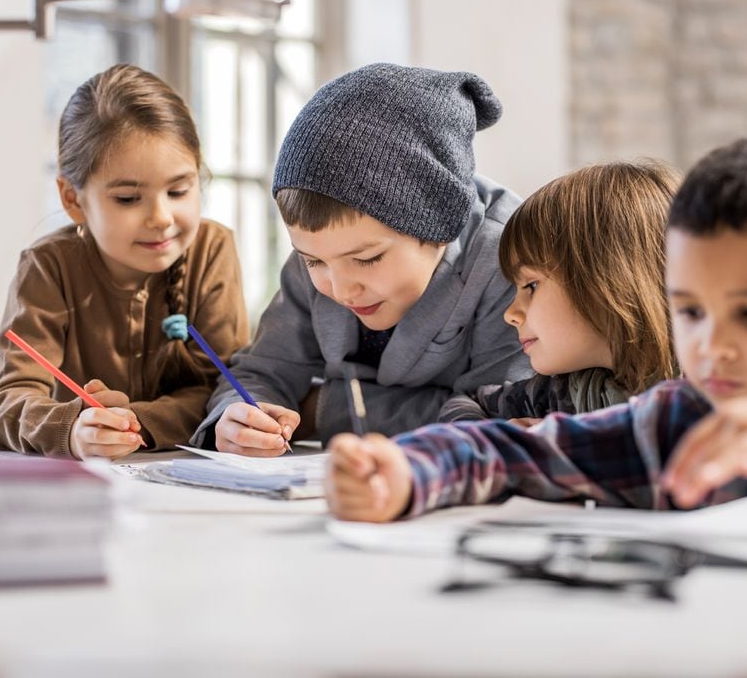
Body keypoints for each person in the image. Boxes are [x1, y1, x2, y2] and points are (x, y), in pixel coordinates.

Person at [325, 131, 747, 521]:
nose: (712, 347)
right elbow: (510, 451)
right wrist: (406, 475)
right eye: (691, 312)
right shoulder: (676, 421)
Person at [190, 63, 531, 456]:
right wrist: (237, 417)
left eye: (367, 259)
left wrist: (325, 408)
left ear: (442, 224)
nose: (341, 289)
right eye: (314, 262)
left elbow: (496, 420)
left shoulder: (508, 256)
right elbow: (261, 371)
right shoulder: (325, 250)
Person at [0, 64, 249, 459]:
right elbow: (3, 402)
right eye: (127, 198)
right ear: (73, 199)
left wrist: (132, 420)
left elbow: (222, 392)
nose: (161, 217)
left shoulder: (212, 249)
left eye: (178, 191)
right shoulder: (48, 266)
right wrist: (70, 428)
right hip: (85, 491)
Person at [439, 161, 679, 425]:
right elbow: (466, 401)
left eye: (531, 285)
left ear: (608, 280)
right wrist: (500, 439)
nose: (510, 314)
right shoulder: (561, 394)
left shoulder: (708, 397)